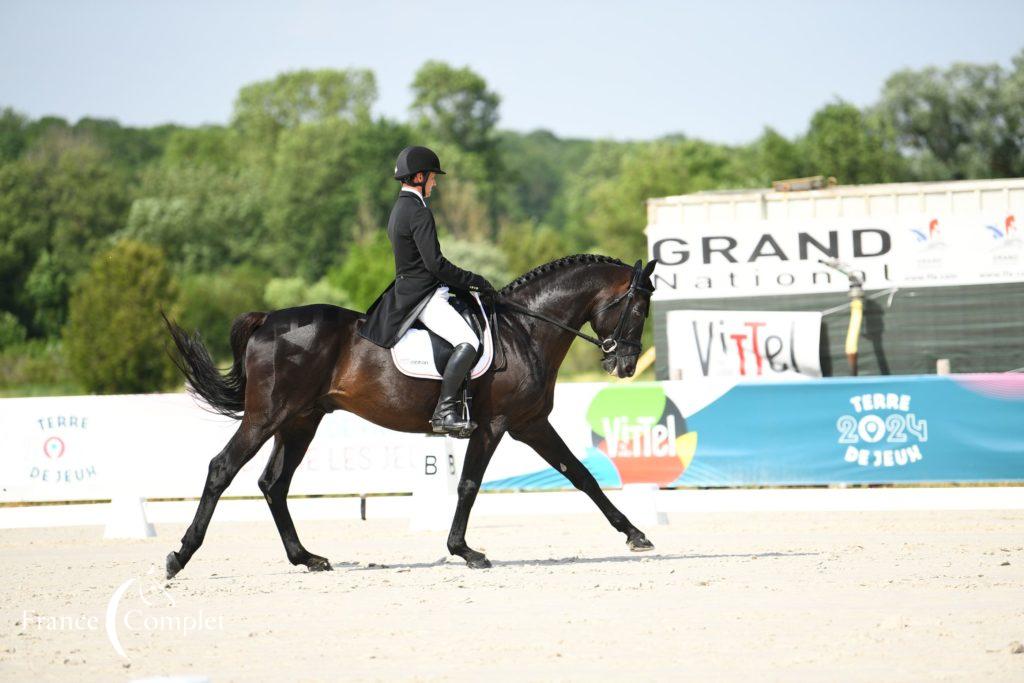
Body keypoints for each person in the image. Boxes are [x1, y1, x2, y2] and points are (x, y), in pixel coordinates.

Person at [358, 146, 495, 437]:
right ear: (419, 177)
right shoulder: (419, 211)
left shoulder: (398, 209)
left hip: (406, 290)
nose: (435, 183)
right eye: (432, 178)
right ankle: (445, 411)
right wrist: (473, 280)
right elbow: (435, 265)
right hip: (424, 295)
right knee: (468, 341)